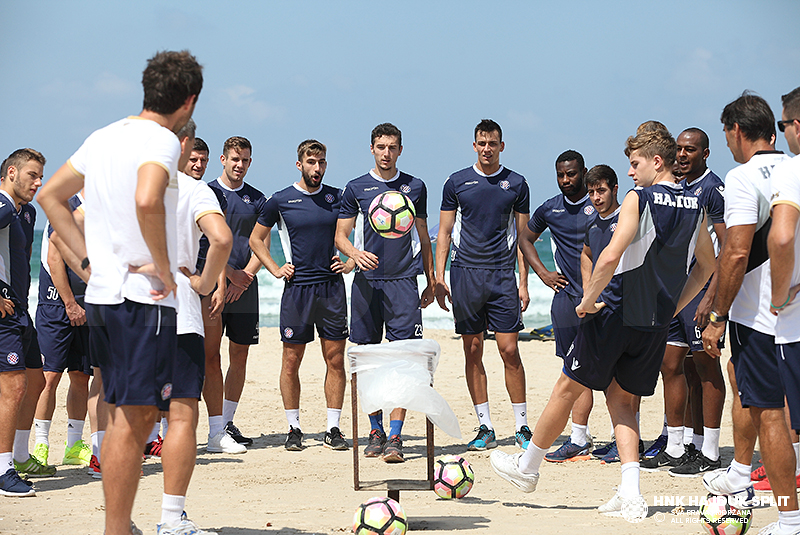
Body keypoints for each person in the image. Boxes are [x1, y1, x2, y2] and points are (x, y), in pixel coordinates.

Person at [491, 126, 716, 518]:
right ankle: (630, 492)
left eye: (635, 164)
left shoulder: (640, 198)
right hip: (654, 321)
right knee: (621, 401)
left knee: (566, 384)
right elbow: (706, 267)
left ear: (655, 161)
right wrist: (672, 307)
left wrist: (587, 302)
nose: (630, 173)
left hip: (616, 310)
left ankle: (527, 468)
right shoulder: (696, 203)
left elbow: (610, 256)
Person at [38, 50, 202, 535]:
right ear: (189, 101)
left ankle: (119, 526)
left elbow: (51, 196)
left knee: (118, 412)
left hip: (104, 298)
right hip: (142, 300)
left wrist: (89, 262)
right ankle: (116, 529)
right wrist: (168, 272)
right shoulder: (164, 142)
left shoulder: (104, 135)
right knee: (136, 418)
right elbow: (148, 197)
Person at [700, 91, 797, 534]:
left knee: (770, 412)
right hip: (791, 312)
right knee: (742, 381)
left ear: (737, 131)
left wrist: (717, 315)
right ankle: (740, 471)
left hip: (762, 318)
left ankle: (788, 517)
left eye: (726, 135)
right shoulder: (795, 169)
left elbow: (737, 253)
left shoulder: (740, 178)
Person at [146, 118, 229, 534]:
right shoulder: (194, 188)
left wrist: (95, 274)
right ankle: (169, 520)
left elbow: (67, 228)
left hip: (126, 312)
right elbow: (222, 239)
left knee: (129, 417)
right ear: (186, 143)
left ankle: (117, 520)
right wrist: (203, 281)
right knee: (180, 417)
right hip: (177, 310)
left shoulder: (128, 182)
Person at [335, 123, 434, 463]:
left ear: (400, 150)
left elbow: (423, 237)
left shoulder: (415, 187)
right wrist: (354, 254)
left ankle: (395, 436)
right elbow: (341, 236)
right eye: (380, 147)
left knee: (405, 359)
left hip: (404, 282)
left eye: (392, 147)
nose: (386, 153)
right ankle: (374, 429)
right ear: (372, 149)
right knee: (366, 360)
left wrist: (432, 280)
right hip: (366, 284)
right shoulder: (356, 188)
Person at [435, 119, 531, 451]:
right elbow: (444, 233)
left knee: (509, 350)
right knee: (472, 349)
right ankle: (485, 425)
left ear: (501, 146)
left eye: (493, 143)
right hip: (465, 274)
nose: (487, 148)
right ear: (474, 145)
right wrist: (438, 277)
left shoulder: (517, 183)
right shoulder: (457, 182)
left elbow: (522, 238)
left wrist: (524, 282)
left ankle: (521, 427)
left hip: (502, 276)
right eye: (481, 143)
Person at [250, 139, 353, 451]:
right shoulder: (280, 200)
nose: (317, 168)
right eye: (311, 162)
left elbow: (353, 234)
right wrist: (275, 268)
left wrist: (349, 262)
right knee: (291, 359)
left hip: (331, 288)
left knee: (335, 359)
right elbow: (256, 239)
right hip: (297, 289)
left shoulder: (338, 197)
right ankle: (293, 427)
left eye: (321, 162)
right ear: (300, 165)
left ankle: (333, 428)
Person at [642, 127, 728, 477]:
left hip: (702, 291)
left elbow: (727, 248)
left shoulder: (713, 189)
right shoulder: (677, 188)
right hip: (675, 291)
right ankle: (680, 445)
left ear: (705, 153)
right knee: (672, 364)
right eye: (678, 149)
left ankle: (710, 451)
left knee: (706, 366)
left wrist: (712, 297)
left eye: (690, 150)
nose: (682, 155)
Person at [521, 150, 596, 462]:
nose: (566, 180)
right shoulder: (550, 208)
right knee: (575, 370)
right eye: (561, 175)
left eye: (572, 174)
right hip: (565, 302)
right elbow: (524, 238)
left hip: (600, 301)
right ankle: (578, 437)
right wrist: (543, 273)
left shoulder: (600, 205)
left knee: (616, 374)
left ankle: (622, 438)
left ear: (584, 172)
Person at [204, 136, 265, 449]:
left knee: (239, 355)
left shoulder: (257, 199)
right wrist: (227, 275)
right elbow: (204, 241)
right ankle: (214, 424)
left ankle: (227, 422)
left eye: (244, 160)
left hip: (245, 288)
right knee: (209, 356)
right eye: (234, 159)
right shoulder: (207, 193)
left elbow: (262, 243)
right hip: (213, 286)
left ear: (250, 162)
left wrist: (247, 275)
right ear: (223, 160)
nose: (239, 165)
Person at [31, 193, 93, 469]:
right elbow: (54, 259)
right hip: (57, 304)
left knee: (81, 376)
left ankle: (73, 444)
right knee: (50, 376)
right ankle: (40, 445)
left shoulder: (104, 204)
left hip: (88, 305)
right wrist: (69, 303)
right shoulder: (67, 206)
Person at [0, 149, 46, 496]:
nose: (38, 182)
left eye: (40, 176)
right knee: (12, 388)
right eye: (32, 175)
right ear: (11, 172)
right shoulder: (1, 207)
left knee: (35, 380)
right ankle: (3, 470)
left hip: (21, 310)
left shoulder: (25, 212)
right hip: (4, 315)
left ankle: (17, 455)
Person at [764, 85, 800, 535]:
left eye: (784, 126)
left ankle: (791, 522)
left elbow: (783, 237)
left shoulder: (793, 172)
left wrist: (778, 295)